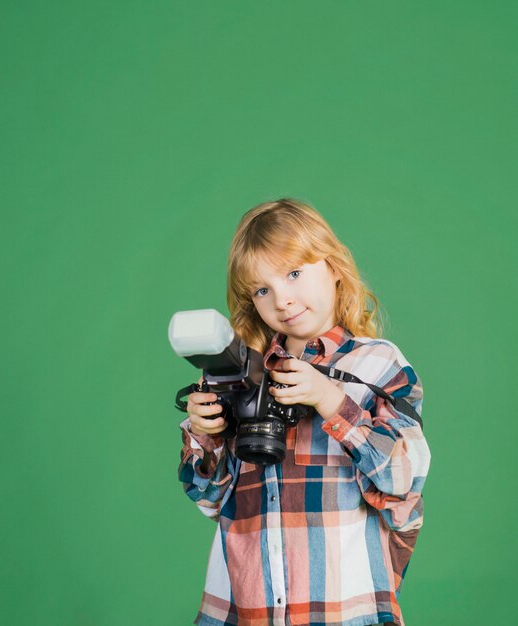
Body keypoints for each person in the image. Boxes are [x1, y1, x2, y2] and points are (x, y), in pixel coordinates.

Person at [177, 198, 432, 626]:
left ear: (333, 266)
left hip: (344, 611)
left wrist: (332, 401)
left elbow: (406, 478)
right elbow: (208, 499)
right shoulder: (244, 375)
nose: (283, 299)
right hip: (246, 611)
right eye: (262, 289)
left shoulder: (376, 365)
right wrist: (207, 433)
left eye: (294, 273)